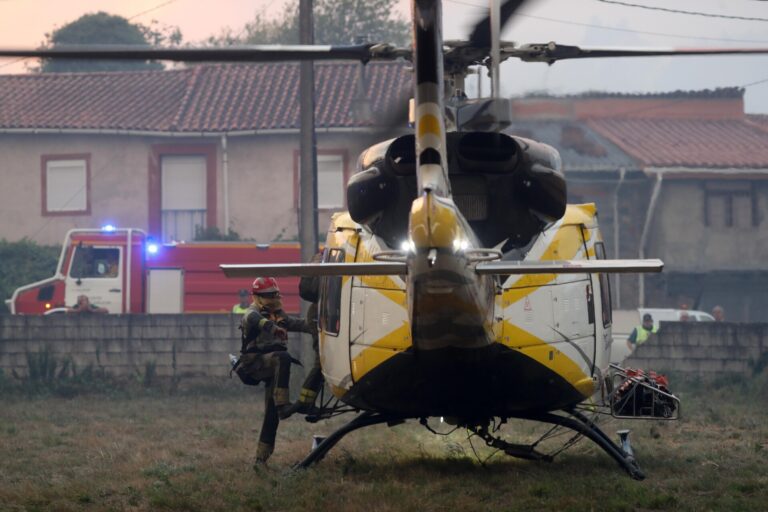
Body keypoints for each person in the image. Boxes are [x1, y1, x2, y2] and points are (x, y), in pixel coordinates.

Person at [232, 276, 312, 466]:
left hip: (272, 367)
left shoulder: (278, 314)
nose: (273, 299)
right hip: (255, 364)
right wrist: (272, 327)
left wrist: (319, 325)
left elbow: (297, 324)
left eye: (275, 295)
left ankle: (261, 460)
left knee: (271, 415)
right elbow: (252, 318)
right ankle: (283, 405)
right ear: (258, 297)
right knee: (283, 357)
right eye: (269, 295)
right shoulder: (252, 313)